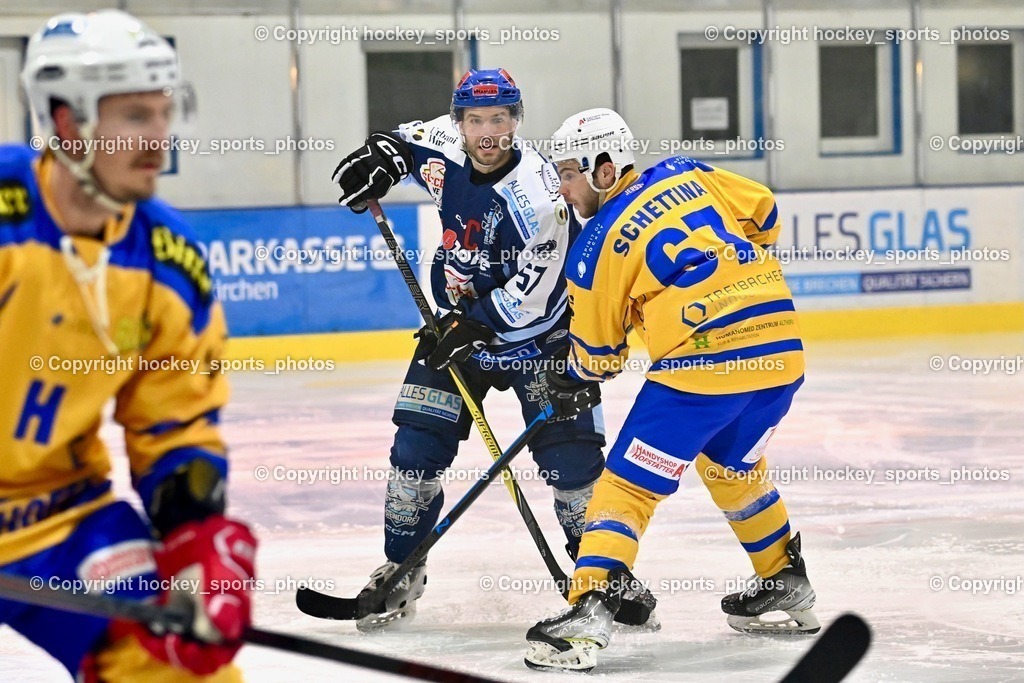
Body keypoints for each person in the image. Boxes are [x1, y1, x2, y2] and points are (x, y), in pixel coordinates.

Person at [1, 10, 255, 681]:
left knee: (180, 670)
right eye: (134, 115)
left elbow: (176, 425)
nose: (158, 137)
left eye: (164, 113)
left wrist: (196, 537)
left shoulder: (168, 262)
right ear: (66, 122)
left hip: (57, 519)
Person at [524, 109, 819, 672]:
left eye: (568, 174)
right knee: (732, 468)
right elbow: (764, 211)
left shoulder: (594, 247)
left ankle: (589, 610)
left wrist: (571, 374)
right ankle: (784, 577)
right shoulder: (688, 172)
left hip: (704, 366)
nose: (562, 189)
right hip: (781, 349)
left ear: (604, 169)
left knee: (626, 487)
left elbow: (599, 358)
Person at [330, 68, 615, 632]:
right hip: (458, 333)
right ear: (458, 122)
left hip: (540, 339)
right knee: (414, 450)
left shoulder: (540, 195)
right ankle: (401, 567)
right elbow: (402, 143)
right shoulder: (445, 141)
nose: (488, 132)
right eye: (476, 120)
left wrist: (474, 324)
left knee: (574, 465)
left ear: (517, 121)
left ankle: (602, 578)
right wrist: (379, 158)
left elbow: (536, 293)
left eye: (500, 119)